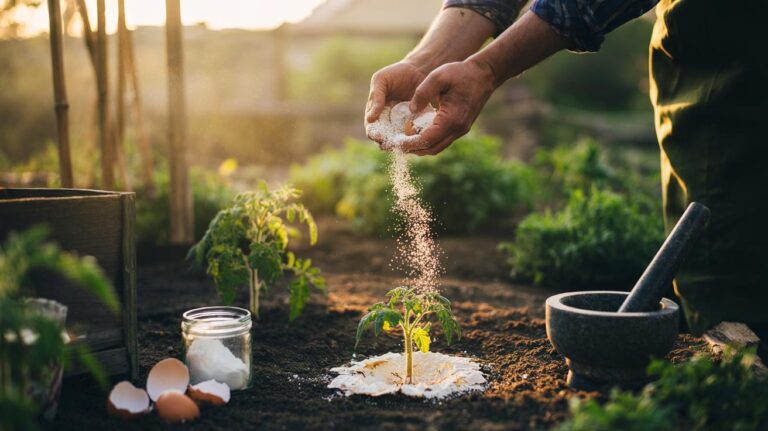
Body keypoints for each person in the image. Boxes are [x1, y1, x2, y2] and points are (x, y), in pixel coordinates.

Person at [366, 0, 768, 337]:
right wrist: (425, 62)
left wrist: (486, 69)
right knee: (710, 273)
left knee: (743, 295)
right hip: (701, 86)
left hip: (749, 78)